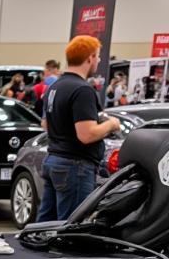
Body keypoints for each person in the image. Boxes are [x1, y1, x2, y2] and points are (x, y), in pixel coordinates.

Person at [37, 36, 121, 223]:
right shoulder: (82, 90)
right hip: (74, 166)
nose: (98, 61)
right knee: (71, 229)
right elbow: (86, 135)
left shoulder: (55, 87)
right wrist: (111, 124)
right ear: (90, 58)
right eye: (98, 57)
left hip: (54, 161)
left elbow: (46, 124)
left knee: (42, 227)